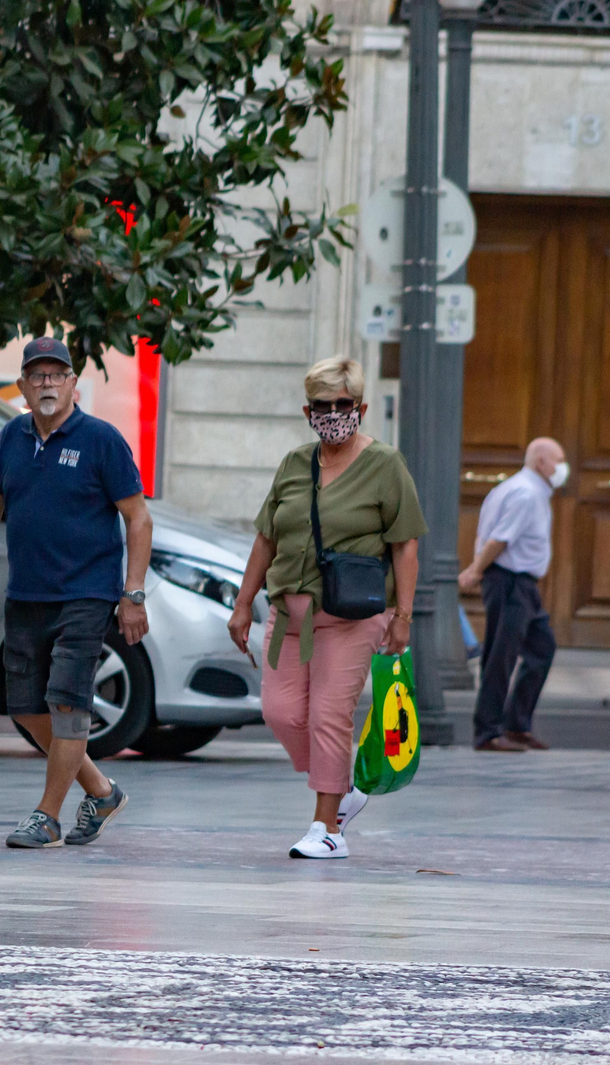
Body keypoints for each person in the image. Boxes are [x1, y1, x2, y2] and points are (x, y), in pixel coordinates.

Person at [0, 336, 152, 849]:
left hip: (87, 593)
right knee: (26, 707)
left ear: (73, 383)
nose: (47, 383)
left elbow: (138, 517)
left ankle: (46, 817)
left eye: (57, 375)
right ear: (24, 385)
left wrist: (132, 594)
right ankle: (101, 790)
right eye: (37, 375)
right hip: (26, 592)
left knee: (68, 704)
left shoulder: (101, 440)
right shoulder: (10, 438)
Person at [227, 357, 426, 860]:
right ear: (307, 411)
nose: (333, 414)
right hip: (289, 616)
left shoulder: (385, 465)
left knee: (329, 717)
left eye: (343, 405)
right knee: (281, 713)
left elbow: (405, 547)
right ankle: (339, 785)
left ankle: (327, 827)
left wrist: (402, 617)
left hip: (352, 618)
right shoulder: (295, 464)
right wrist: (243, 602)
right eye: (323, 406)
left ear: (359, 408)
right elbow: (266, 536)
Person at [457, 437, 567, 752]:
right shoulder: (526, 493)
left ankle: (516, 725)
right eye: (558, 461)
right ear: (540, 462)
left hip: (522, 584)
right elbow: (498, 540)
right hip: (510, 581)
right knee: (500, 655)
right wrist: (476, 569)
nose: (562, 468)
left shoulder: (518, 488)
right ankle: (488, 732)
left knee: (541, 647)